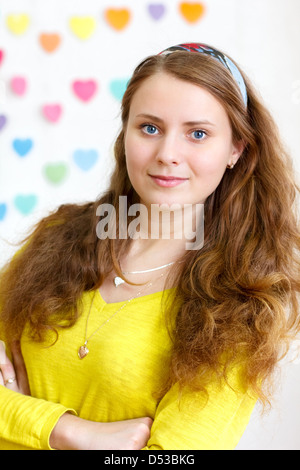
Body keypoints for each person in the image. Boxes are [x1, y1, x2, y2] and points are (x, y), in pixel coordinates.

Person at [0, 43, 299, 450]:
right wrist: (67, 432)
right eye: (150, 128)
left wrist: (14, 415)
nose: (167, 155)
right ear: (126, 134)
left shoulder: (243, 304)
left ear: (236, 149)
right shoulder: (55, 239)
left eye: (197, 133)